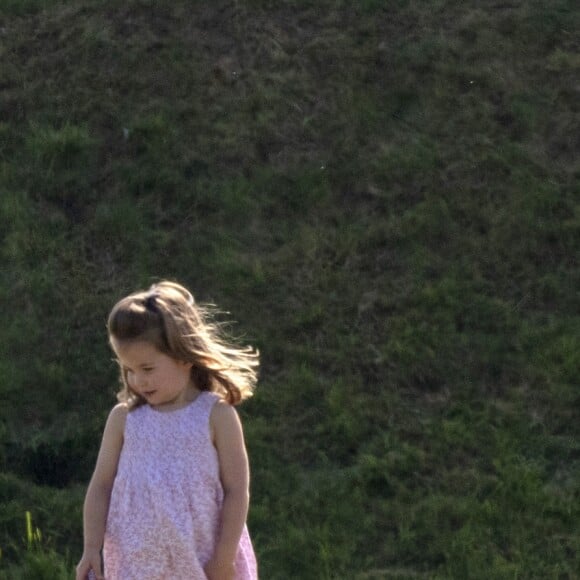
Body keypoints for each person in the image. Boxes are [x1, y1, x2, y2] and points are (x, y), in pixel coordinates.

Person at [75, 281, 259, 580]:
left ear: (184, 356)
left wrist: (224, 558)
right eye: (128, 370)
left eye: (147, 369)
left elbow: (236, 491)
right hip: (138, 566)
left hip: (202, 564)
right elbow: (101, 486)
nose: (138, 381)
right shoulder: (125, 420)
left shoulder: (216, 415)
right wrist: (91, 548)